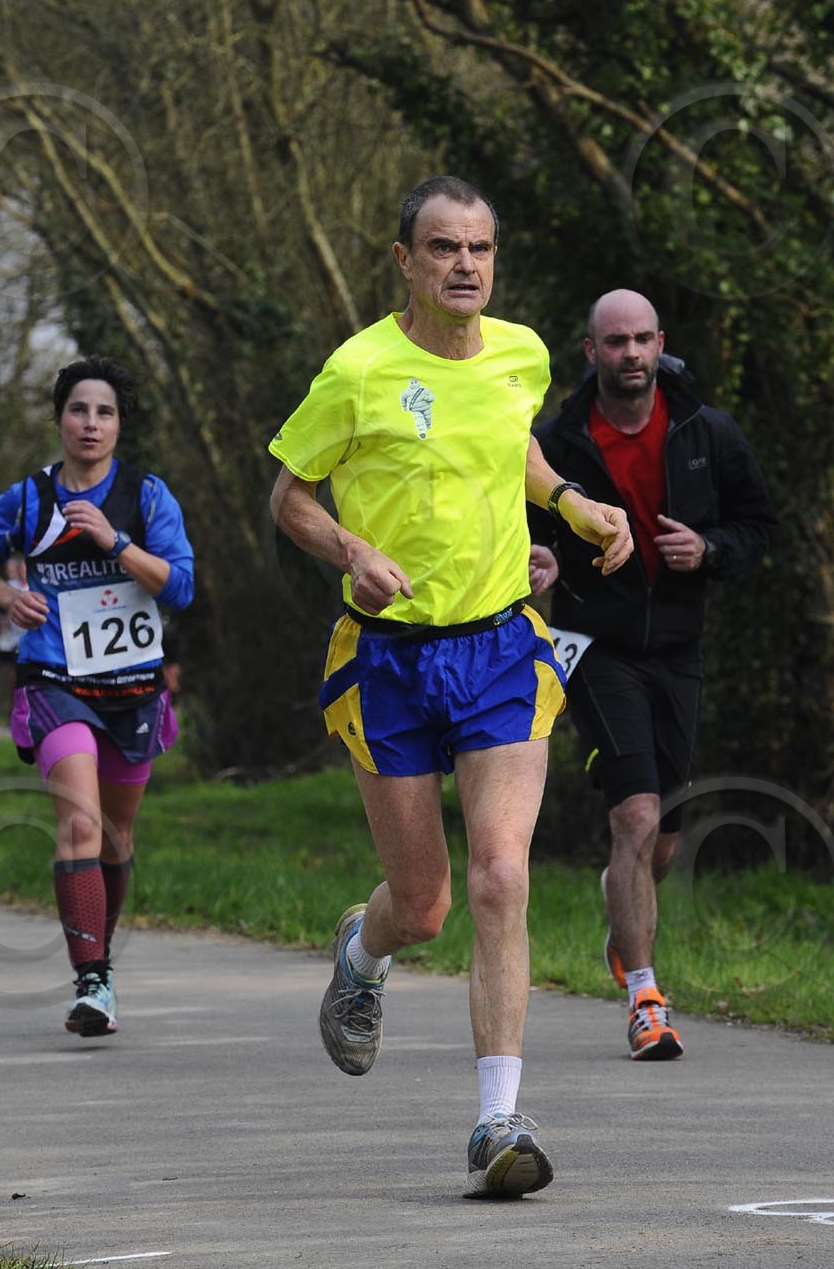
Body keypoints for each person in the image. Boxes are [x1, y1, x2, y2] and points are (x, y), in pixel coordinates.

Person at [269, 176, 632, 1198]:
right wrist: (352, 548)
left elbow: (510, 447)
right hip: (386, 658)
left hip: (500, 647)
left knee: (501, 876)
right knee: (425, 906)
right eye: (442, 248)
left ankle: (497, 1123)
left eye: (478, 248)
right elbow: (289, 493)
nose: (464, 265)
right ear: (405, 261)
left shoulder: (522, 354)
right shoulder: (358, 370)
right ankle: (363, 950)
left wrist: (572, 501)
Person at [530, 290, 776, 1061]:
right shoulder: (557, 442)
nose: (630, 354)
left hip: (677, 648)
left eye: (641, 339)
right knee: (633, 815)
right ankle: (645, 999)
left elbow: (757, 525)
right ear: (590, 352)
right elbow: (522, 532)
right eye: (615, 342)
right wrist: (539, 563)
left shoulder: (706, 431)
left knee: (662, 839)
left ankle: (622, 904)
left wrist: (709, 549)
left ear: (659, 343)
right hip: (595, 645)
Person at [0, 356, 194, 1038]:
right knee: (80, 824)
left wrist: (115, 543)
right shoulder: (28, 499)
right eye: (78, 410)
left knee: (115, 837)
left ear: (119, 425)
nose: (90, 423)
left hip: (133, 689)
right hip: (55, 680)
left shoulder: (148, 497)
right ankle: (90, 981)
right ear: (59, 419)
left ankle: (101, 957)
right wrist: (8, 596)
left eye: (104, 412)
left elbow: (179, 588)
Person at [0, 554, 29, 705]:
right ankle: (12, 703)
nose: (23, 571)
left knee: (23, 674)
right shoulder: (9, 587)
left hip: (28, 640)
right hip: (9, 638)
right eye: (21, 568)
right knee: (9, 674)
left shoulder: (36, 587)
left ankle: (23, 703)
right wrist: (3, 620)